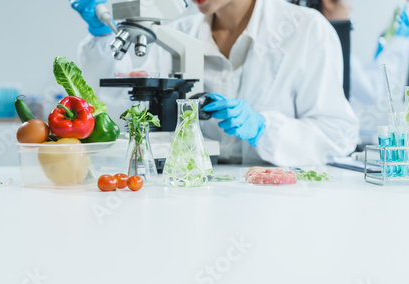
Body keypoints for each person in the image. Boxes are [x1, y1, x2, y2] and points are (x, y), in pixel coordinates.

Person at [72, 0, 359, 166]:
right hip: (190, 196)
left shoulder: (306, 29)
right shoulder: (178, 34)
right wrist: (101, 36)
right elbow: (118, 108)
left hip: (279, 203)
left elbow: (336, 135)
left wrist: (264, 129)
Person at [291, 0, 409, 144]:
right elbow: (373, 91)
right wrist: (398, 41)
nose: (351, 6)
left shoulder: (311, 37)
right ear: (328, 2)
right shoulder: (326, 43)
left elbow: (359, 81)